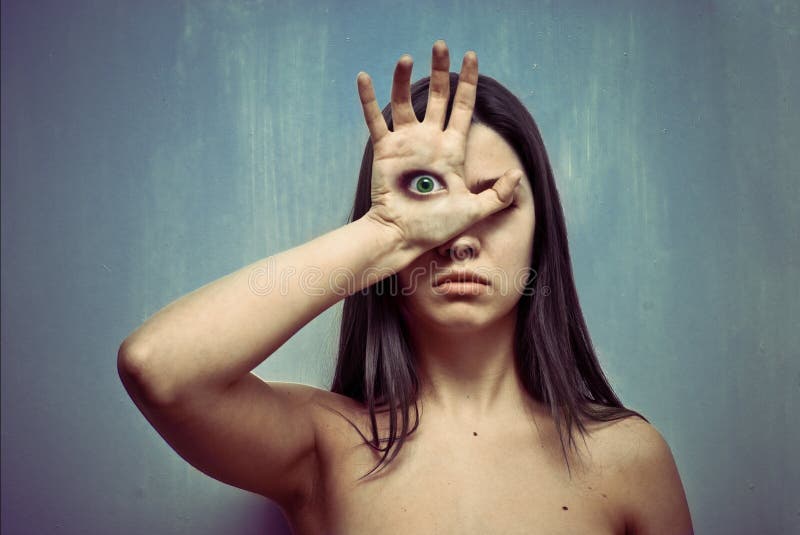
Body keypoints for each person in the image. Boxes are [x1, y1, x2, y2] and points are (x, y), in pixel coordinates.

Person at [118, 40, 693, 534]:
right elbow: (159, 368)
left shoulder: (630, 458)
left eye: (493, 203)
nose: (459, 238)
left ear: (541, 233)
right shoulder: (325, 443)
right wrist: (387, 233)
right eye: (432, 203)